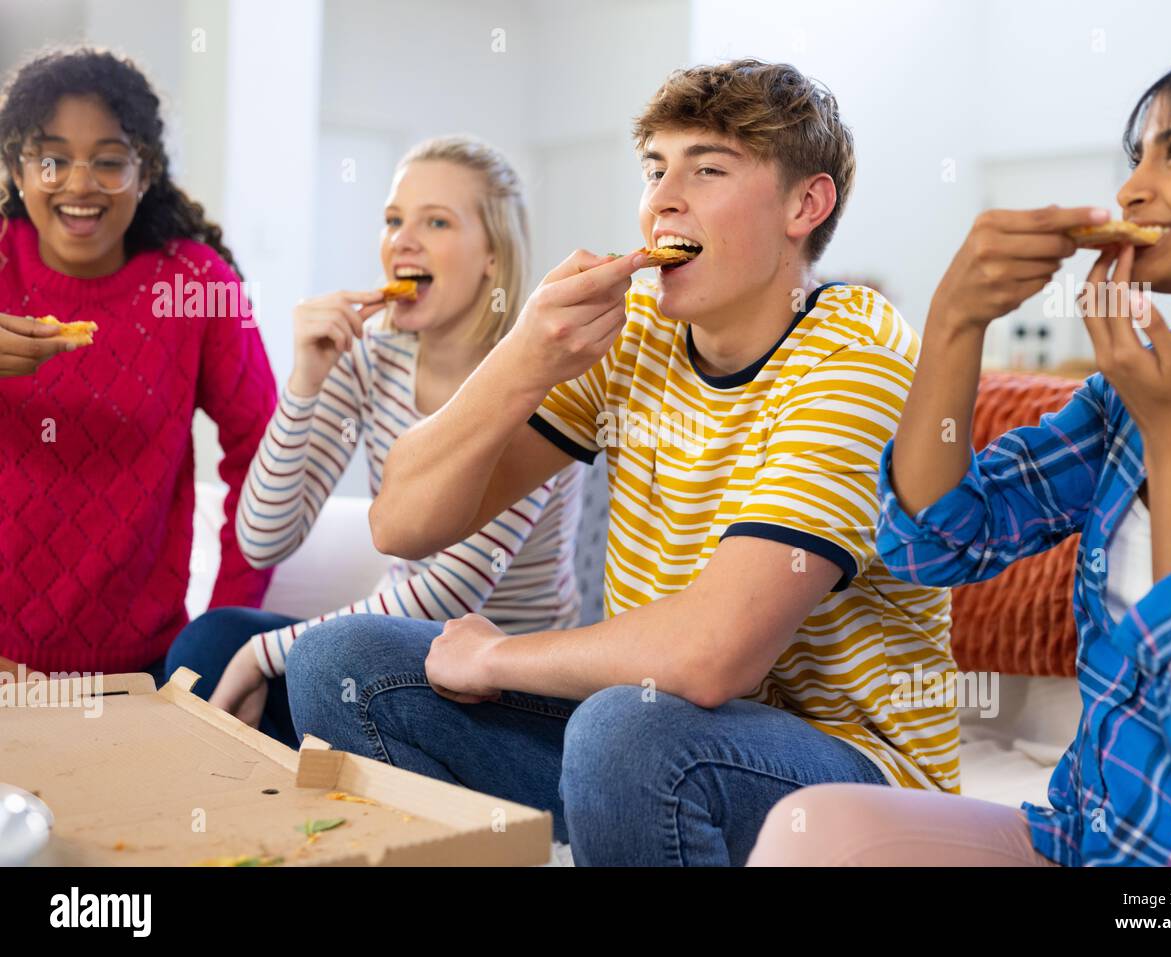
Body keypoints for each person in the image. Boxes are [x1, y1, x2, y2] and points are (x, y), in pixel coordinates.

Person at [288, 60, 955, 865]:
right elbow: (402, 522)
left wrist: (495, 657)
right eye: (654, 168)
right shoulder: (638, 327)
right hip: (652, 726)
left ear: (805, 205)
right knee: (342, 662)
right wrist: (523, 354)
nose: (663, 199)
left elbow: (711, 656)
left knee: (627, 729)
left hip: (849, 775)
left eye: (707, 169)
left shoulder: (860, 357)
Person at [749, 8, 1171, 867]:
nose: (1132, 192)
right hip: (1086, 841)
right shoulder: (1146, 383)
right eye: (1137, 158)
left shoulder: (1155, 404)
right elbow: (932, 540)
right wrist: (955, 321)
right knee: (814, 833)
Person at [166, 136, 584, 748]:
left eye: (436, 221)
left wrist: (265, 654)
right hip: (392, 652)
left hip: (504, 683)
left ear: (492, 254)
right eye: (393, 220)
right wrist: (306, 381)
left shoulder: (538, 377)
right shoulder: (371, 361)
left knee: (282, 657)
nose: (402, 241)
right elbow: (261, 539)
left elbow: (450, 592)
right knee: (214, 640)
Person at [0, 47, 274, 680]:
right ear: (17, 168)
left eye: (109, 161)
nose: (78, 183)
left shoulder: (194, 284)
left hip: (143, 674)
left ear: (145, 171)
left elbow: (265, 459)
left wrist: (224, 630)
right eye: (50, 159)